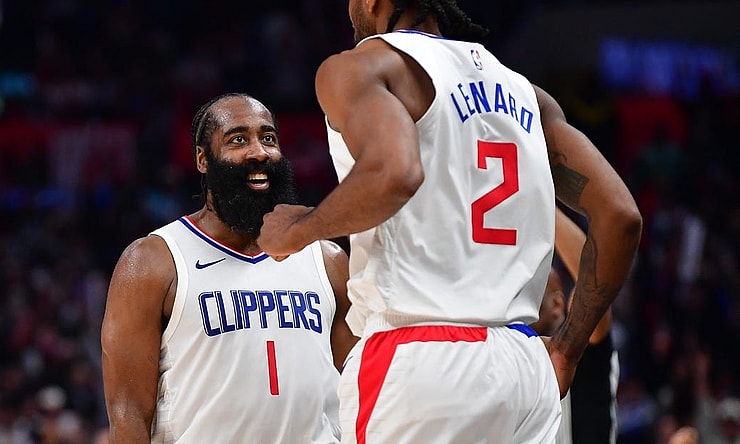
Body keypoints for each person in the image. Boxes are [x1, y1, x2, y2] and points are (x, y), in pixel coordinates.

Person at [258, 1, 642, 442]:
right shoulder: (526, 93)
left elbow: (395, 172)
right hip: (524, 368)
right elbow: (621, 215)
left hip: (422, 360)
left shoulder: (361, 67)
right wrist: (569, 350)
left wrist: (299, 228)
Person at [100, 93, 357, 443]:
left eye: (268, 138)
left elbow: (359, 390)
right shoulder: (153, 262)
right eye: (238, 140)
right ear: (203, 159)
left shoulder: (327, 260)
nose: (259, 152)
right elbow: (128, 415)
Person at [531, 207, 620, 444]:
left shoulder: (585, 346)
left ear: (557, 304)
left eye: (532, 290)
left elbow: (591, 278)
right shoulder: (515, 349)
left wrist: (542, 201)